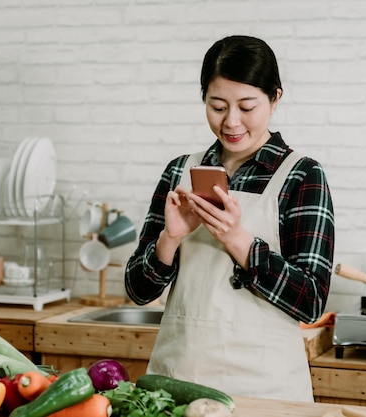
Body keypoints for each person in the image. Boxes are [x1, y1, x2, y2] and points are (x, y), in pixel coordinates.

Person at [124, 35, 335, 402]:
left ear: (275, 99)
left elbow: (311, 300)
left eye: (247, 106)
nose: (231, 122)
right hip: (177, 382)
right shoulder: (180, 171)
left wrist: (239, 241)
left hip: (266, 391)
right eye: (217, 106)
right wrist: (169, 240)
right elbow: (137, 291)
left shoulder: (301, 176)